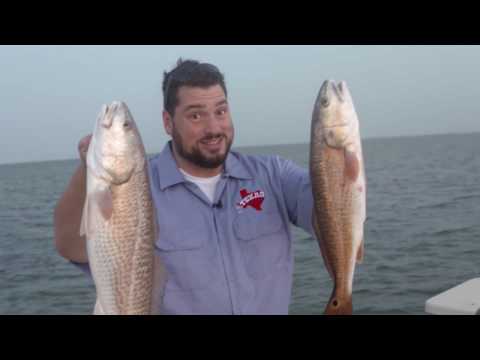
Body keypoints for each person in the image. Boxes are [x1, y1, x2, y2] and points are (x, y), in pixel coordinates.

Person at [54, 58, 318, 315]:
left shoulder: (273, 175)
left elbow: (326, 212)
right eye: (196, 115)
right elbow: (70, 246)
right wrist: (89, 167)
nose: (213, 127)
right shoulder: (139, 190)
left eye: (221, 111)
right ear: (168, 123)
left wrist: (335, 151)